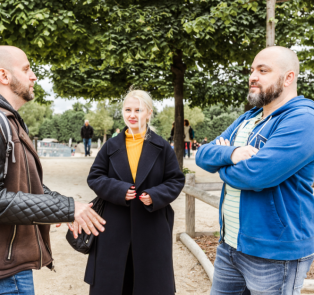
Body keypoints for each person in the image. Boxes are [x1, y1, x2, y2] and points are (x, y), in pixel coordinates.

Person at [196, 46, 314, 294]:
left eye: (263, 70)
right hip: (230, 245)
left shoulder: (303, 120)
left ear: (289, 77)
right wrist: (232, 154)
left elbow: (255, 176)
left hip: (274, 252)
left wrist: (222, 169)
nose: (253, 76)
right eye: (252, 70)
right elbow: (203, 155)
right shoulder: (248, 118)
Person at [0, 46, 105, 294]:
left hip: (12, 267)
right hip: (6, 274)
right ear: (4, 76)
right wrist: (67, 208)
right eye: (26, 69)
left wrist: (62, 206)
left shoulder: (11, 120)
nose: (34, 76)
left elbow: (22, 184)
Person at [83, 90, 185, 295]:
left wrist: (155, 195)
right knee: (113, 284)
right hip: (113, 226)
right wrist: (120, 190)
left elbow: (175, 180)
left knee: (150, 285)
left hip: (152, 227)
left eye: (138, 110)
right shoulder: (110, 146)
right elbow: (95, 177)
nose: (132, 114)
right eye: (128, 109)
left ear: (149, 113)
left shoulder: (163, 147)